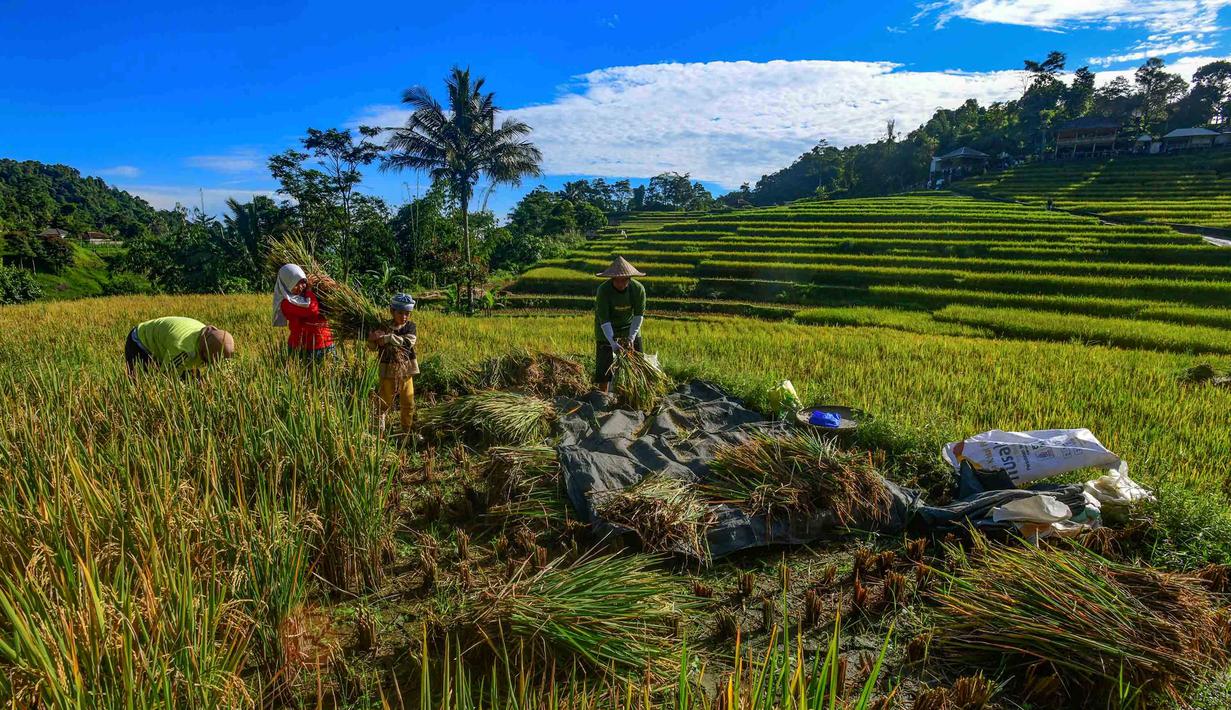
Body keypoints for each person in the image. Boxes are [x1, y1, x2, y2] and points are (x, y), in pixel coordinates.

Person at [593, 256, 646, 393]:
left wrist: (631, 337)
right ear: (612, 279)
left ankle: (634, 393)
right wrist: (612, 341)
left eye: (624, 280)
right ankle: (602, 396)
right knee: (604, 367)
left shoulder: (638, 289)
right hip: (605, 329)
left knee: (637, 364)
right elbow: (604, 319)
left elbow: (638, 315)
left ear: (629, 278)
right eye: (617, 280)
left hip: (629, 327)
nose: (621, 283)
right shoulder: (603, 291)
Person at [368, 293, 419, 431]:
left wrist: (388, 338)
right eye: (400, 313)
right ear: (392, 311)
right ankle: (378, 430)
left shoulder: (410, 327)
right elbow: (373, 347)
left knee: (408, 402)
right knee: (384, 401)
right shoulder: (382, 326)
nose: (404, 317)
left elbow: (408, 342)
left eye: (407, 313)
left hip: (406, 370)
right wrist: (372, 339)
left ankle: (406, 429)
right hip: (387, 370)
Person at [125, 316, 235, 376]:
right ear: (204, 351)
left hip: (165, 341)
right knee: (142, 381)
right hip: (140, 341)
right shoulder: (184, 350)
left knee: (193, 377)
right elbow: (165, 377)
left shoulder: (209, 338)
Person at [274, 263, 334, 361]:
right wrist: (309, 290)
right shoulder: (286, 303)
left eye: (303, 282)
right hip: (302, 349)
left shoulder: (311, 295)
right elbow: (312, 310)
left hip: (325, 343)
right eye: (296, 283)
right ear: (286, 284)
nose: (301, 286)